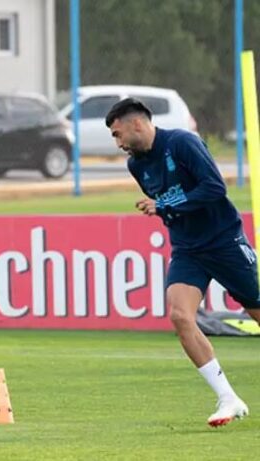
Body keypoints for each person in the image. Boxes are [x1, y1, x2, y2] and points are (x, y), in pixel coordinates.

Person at [105, 98, 260, 427]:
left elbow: (215, 187)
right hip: (188, 249)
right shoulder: (136, 165)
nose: (118, 144)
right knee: (179, 315)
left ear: (136, 124)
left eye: (118, 135)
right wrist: (164, 207)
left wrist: (163, 204)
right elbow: (167, 206)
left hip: (224, 242)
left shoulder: (182, 143)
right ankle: (228, 398)